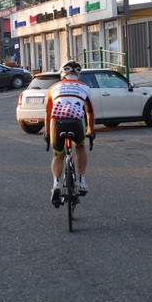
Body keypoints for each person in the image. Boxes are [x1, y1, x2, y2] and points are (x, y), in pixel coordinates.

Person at [44, 60, 95, 206]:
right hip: (76, 123)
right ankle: (81, 180)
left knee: (58, 154)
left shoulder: (53, 88)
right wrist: (91, 132)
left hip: (57, 124)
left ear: (62, 74)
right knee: (79, 147)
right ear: (78, 75)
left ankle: (57, 183)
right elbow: (90, 113)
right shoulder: (85, 87)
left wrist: (47, 134)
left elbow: (47, 115)